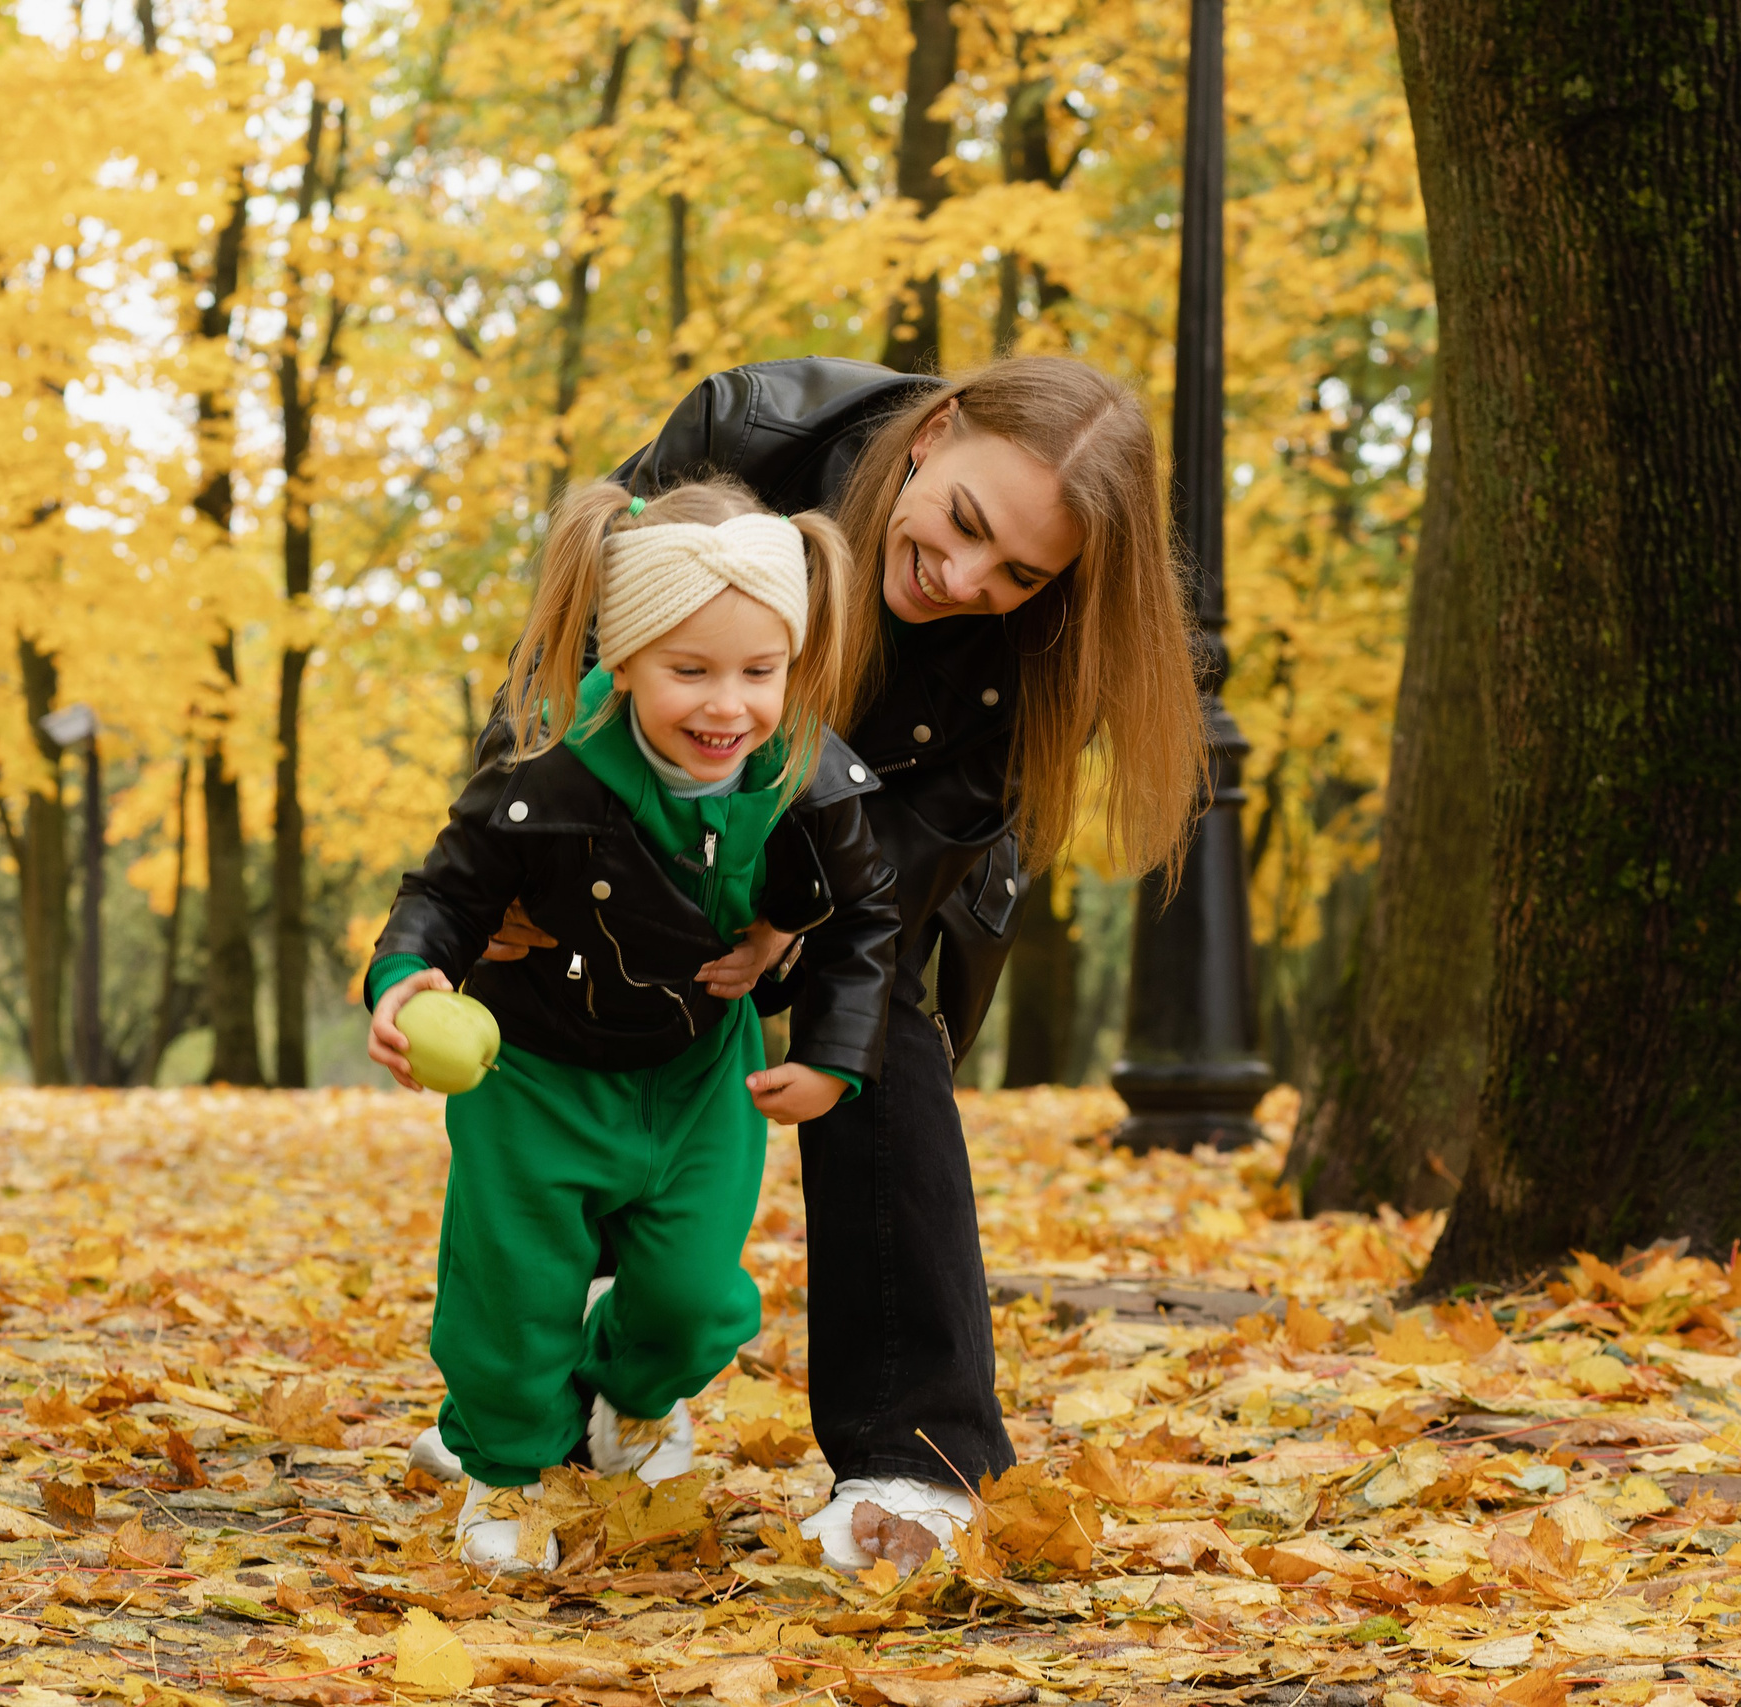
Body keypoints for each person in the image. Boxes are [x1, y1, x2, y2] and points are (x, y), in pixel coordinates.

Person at [442, 355, 1204, 1570]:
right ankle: (553, 1383)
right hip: (635, 805)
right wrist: (502, 873)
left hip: (873, 850)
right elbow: (569, 652)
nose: (963, 579)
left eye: (1016, 573)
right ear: (933, 431)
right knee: (575, 1009)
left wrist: (794, 913)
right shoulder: (747, 435)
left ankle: (917, 1460)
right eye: (962, 522)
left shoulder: (1046, 632)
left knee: (878, 1037)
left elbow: (947, 819)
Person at [364, 476, 901, 1570]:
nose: (728, 707)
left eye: (760, 671)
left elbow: (865, 912)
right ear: (624, 655)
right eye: (688, 671)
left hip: (699, 1069)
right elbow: (449, 893)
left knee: (698, 1297)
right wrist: (408, 977)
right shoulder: (546, 769)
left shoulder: (807, 770)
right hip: (534, 1074)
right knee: (511, 1295)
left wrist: (834, 1054)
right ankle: (503, 1474)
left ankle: (628, 1402)